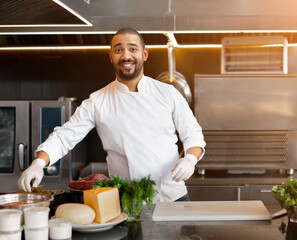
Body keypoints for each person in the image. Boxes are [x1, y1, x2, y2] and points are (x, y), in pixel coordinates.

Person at [17, 27, 206, 202]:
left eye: (133, 49)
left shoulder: (168, 93)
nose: (126, 56)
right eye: (118, 50)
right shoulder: (98, 100)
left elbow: (193, 134)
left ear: (144, 54)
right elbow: (65, 136)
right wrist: (39, 162)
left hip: (172, 197)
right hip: (126, 201)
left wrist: (190, 159)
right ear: (111, 56)